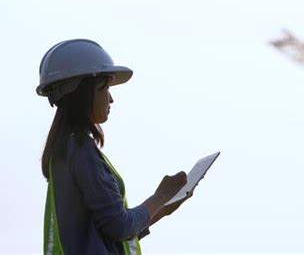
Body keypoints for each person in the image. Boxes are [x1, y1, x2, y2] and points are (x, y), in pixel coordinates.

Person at [37, 39, 191, 255]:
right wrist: (161, 195)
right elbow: (119, 227)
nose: (110, 98)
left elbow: (105, 232)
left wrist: (161, 210)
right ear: (83, 93)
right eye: (104, 87)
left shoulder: (65, 150)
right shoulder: (80, 149)